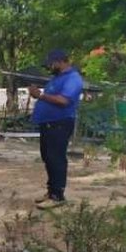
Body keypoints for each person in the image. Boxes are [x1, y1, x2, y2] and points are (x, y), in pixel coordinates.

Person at [29, 49, 84, 210]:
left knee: (56, 158)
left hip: (60, 123)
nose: (50, 66)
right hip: (48, 123)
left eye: (51, 63)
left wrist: (40, 95)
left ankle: (57, 195)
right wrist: (37, 95)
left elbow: (63, 101)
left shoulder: (73, 79)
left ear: (60, 61)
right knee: (48, 157)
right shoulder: (57, 78)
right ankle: (51, 191)